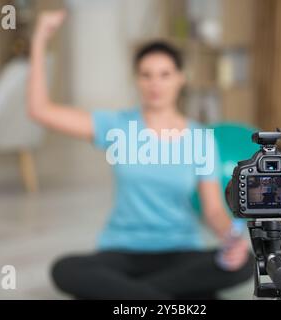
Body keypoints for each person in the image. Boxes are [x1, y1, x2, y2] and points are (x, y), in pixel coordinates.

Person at [28, 10, 253, 299]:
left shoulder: (200, 137)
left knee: (244, 264)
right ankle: (164, 297)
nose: (155, 84)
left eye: (164, 74)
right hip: (122, 252)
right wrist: (39, 39)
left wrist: (230, 239)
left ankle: (126, 296)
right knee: (65, 269)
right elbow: (40, 110)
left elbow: (212, 209)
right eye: (146, 75)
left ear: (180, 78)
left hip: (180, 251)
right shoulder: (117, 126)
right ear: (137, 80)